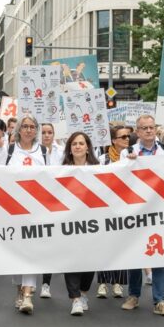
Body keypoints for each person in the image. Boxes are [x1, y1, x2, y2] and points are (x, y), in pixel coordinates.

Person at [120, 114, 164, 316]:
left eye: (151, 127)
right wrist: (129, 164)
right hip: (137, 212)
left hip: (160, 212)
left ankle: (160, 300)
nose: (149, 131)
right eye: (144, 128)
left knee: (160, 255)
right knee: (135, 255)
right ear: (137, 132)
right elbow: (120, 181)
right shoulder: (128, 153)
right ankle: (133, 296)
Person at [1, 114, 49, 314]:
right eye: (25, 126)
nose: (29, 130)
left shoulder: (44, 151)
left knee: (32, 250)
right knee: (18, 251)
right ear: (18, 129)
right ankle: (20, 290)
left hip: (37, 210)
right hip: (13, 210)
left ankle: (28, 294)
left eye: (32, 127)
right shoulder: (9, 150)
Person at [62, 131, 99, 316]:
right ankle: (75, 299)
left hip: (92, 224)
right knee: (71, 260)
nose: (77, 146)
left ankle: (84, 292)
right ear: (70, 148)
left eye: (81, 143)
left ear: (87, 147)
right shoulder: (60, 170)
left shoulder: (98, 168)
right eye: (74, 143)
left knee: (89, 261)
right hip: (69, 224)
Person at [96, 125, 130, 299]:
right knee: (104, 244)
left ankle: (117, 282)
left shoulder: (132, 158)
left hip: (125, 207)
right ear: (114, 140)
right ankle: (102, 282)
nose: (126, 139)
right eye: (122, 137)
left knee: (121, 245)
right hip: (106, 207)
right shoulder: (103, 159)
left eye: (128, 137)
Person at [39, 123, 64, 299]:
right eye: (44, 132)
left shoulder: (61, 151)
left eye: (50, 132)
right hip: (37, 201)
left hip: (56, 201)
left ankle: (45, 283)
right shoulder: (33, 151)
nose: (47, 135)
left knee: (50, 243)